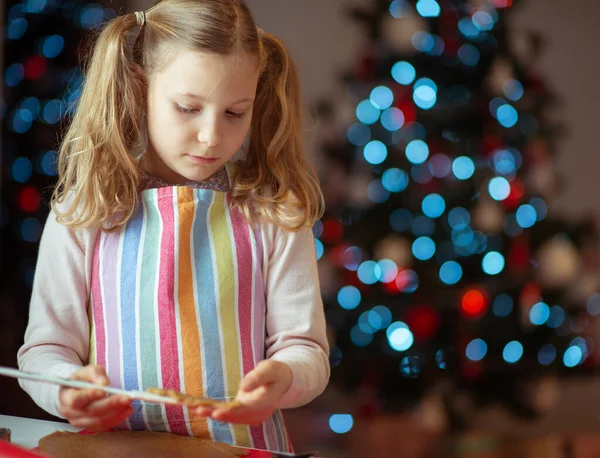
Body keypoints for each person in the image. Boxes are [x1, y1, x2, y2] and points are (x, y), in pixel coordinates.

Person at [17, 0, 329, 452]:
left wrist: (284, 377)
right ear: (138, 88)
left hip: (240, 449)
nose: (211, 136)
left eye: (234, 113)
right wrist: (67, 390)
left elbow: (308, 352)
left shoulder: (273, 211)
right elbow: (44, 353)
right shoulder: (86, 210)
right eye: (188, 107)